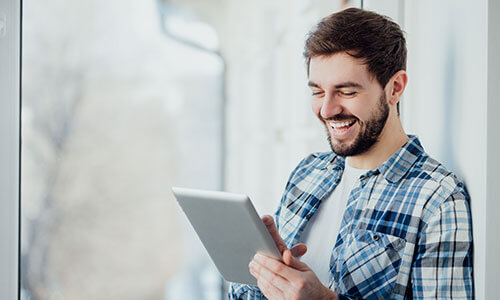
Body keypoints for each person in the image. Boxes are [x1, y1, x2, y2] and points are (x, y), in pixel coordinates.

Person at [229, 7, 474, 300]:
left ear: (395, 88)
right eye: (318, 91)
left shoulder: (437, 199)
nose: (327, 110)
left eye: (346, 92)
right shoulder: (308, 173)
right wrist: (263, 273)